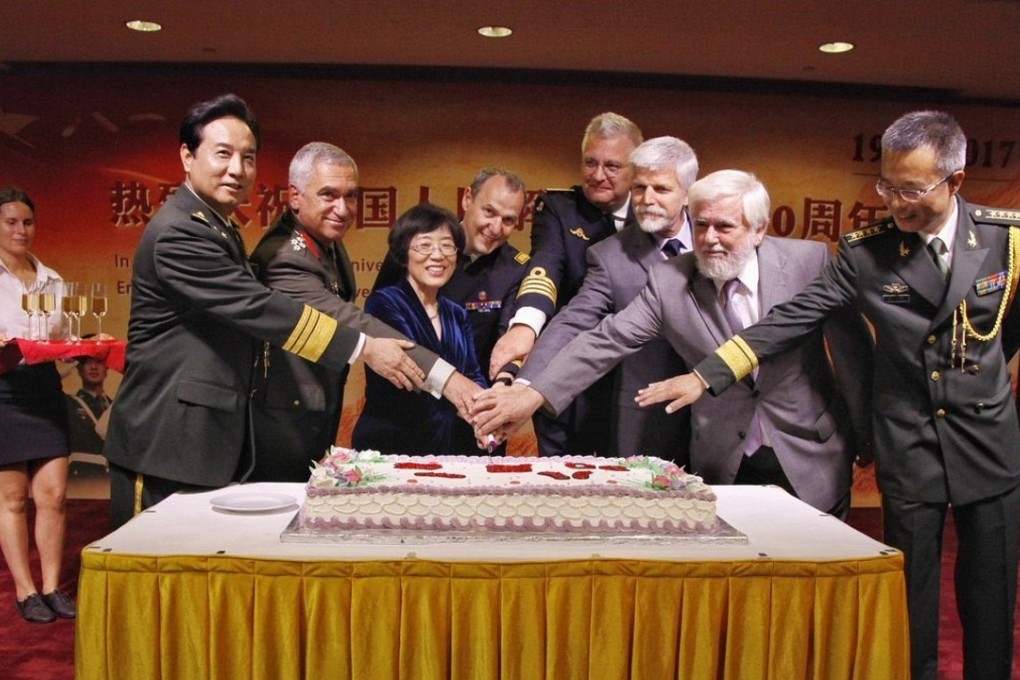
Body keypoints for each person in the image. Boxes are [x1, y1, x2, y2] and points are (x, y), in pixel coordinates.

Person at [636, 112, 1020, 680]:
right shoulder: (866, 253)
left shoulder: (1005, 238)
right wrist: (709, 373)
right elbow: (793, 317)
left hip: (987, 439)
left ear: (955, 182)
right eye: (888, 187)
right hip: (907, 439)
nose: (896, 203)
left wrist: (980, 378)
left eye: (912, 190)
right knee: (910, 592)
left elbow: (1005, 331)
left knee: (991, 590)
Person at [104, 94, 428, 529]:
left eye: (248, 157)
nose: (237, 169)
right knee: (149, 580)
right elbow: (257, 307)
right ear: (187, 155)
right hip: (166, 440)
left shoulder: (218, 226)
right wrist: (362, 346)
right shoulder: (180, 231)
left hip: (205, 441)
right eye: (223, 154)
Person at [472, 170, 874, 518]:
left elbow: (852, 355)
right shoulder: (669, 281)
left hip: (811, 453)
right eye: (701, 226)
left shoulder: (809, 263)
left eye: (725, 227)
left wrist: (865, 436)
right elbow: (605, 339)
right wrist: (532, 394)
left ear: (759, 230)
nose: (710, 239)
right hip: (723, 463)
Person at [248, 142, 480, 481]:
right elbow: (351, 320)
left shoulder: (327, 242)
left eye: (351, 196)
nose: (342, 209)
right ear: (295, 196)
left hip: (314, 412)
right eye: (329, 195)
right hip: (284, 420)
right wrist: (450, 380)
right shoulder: (284, 256)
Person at [511, 136, 697, 463]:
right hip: (650, 414)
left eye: (661, 189)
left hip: (726, 413)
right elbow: (574, 320)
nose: (647, 199)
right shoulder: (610, 254)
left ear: (687, 193)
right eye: (640, 188)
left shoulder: (718, 236)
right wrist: (525, 385)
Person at [490, 112, 643, 456]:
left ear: (635, 170)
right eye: (590, 162)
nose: (598, 175)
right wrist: (525, 327)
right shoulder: (559, 208)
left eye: (612, 166)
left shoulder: (653, 214)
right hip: (564, 372)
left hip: (634, 376)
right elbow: (545, 268)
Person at [373, 168, 530, 383]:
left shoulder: (515, 268)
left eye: (508, 220)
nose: (495, 228)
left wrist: (502, 386)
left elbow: (505, 343)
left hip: (472, 397)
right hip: (408, 387)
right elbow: (378, 323)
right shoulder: (415, 244)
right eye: (489, 212)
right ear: (467, 199)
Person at [353, 204, 487, 455]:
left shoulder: (456, 313)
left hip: (453, 449)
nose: (438, 255)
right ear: (404, 254)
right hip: (393, 447)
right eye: (425, 245)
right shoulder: (384, 302)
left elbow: (473, 375)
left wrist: (486, 413)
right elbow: (412, 370)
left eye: (447, 245)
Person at [0, 186, 76, 623]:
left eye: (26, 222)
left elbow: (61, 338)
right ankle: (25, 591)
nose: (20, 230)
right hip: (4, 389)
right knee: (12, 498)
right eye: (11, 221)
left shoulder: (53, 279)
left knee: (54, 494)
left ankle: (51, 586)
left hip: (44, 388)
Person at [65, 354, 112, 456]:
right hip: (82, 469)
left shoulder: (113, 405)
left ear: (106, 369)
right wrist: (73, 363)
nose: (93, 367)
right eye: (87, 363)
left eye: (99, 362)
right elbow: (45, 386)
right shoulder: (69, 403)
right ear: (79, 369)